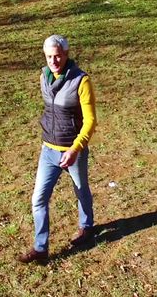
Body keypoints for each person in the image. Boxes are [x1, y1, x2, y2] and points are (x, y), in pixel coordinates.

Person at [17, 35, 98, 264]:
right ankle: (40, 248)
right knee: (38, 199)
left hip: (73, 150)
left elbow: (91, 121)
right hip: (48, 150)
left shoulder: (81, 81)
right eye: (49, 56)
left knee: (81, 190)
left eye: (58, 56)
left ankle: (87, 227)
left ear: (66, 54)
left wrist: (75, 149)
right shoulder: (44, 76)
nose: (54, 61)